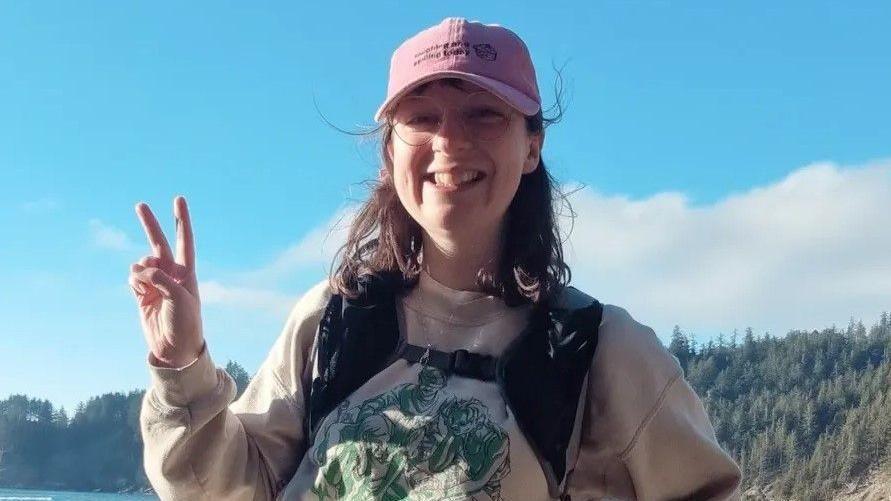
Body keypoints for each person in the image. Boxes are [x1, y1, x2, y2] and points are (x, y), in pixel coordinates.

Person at [132, 17, 742, 500]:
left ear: (532, 146)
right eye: (422, 117)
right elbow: (227, 491)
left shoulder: (602, 351)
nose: (450, 140)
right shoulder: (330, 322)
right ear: (390, 153)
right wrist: (181, 364)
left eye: (484, 113)